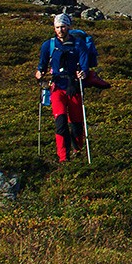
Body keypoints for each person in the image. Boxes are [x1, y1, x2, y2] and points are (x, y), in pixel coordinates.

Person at [36, 13, 89, 163]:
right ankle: (63, 157)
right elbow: (42, 64)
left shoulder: (79, 44)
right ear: (54, 28)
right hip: (57, 87)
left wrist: (83, 72)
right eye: (58, 27)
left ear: (69, 27)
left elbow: (84, 65)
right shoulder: (48, 45)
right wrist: (40, 71)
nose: (60, 30)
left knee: (76, 122)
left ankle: (77, 149)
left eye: (63, 27)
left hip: (73, 86)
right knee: (60, 121)